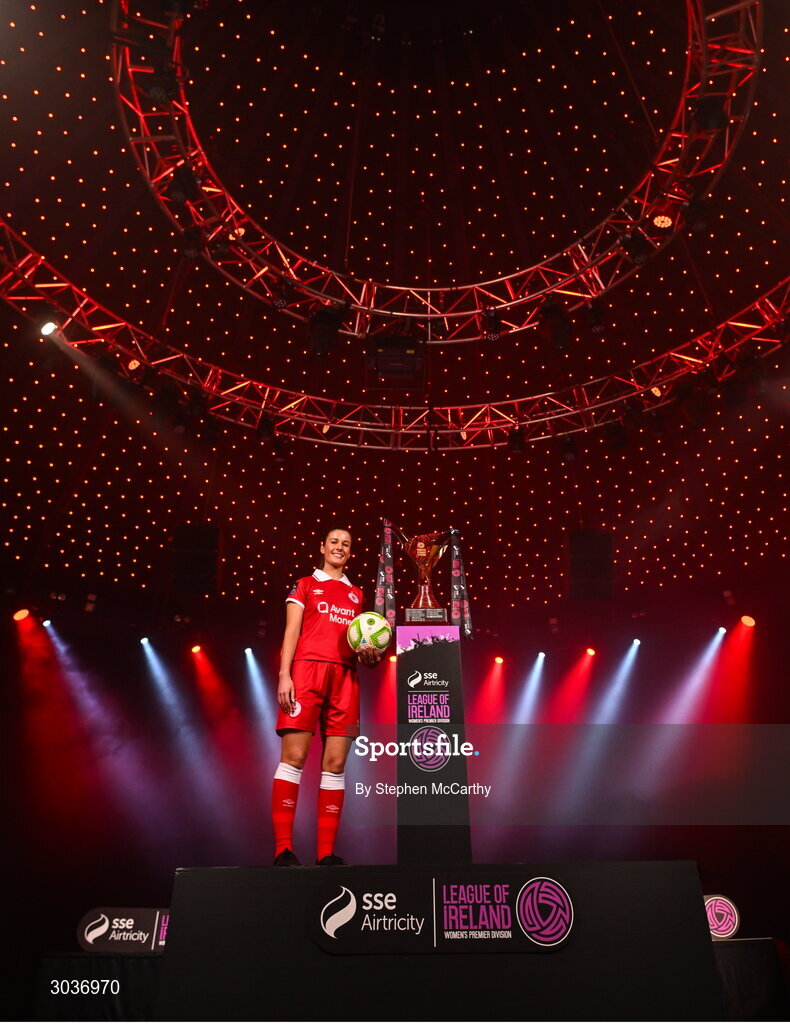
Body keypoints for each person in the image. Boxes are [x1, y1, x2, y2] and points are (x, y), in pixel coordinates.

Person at [271, 527, 381, 866]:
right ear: (322, 547)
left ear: (350, 553)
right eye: (334, 541)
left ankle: (325, 854)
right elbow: (291, 632)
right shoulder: (304, 584)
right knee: (294, 759)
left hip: (347, 680)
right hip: (306, 673)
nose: (339, 547)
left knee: (335, 765)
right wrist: (284, 674)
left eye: (346, 544)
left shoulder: (357, 595)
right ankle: (283, 850)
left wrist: (370, 655)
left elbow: (362, 644)